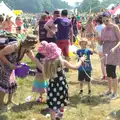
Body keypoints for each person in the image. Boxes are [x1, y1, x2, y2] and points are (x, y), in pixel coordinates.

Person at [38, 41, 86, 120]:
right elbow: (75, 67)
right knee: (62, 99)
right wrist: (81, 60)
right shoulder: (61, 62)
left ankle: (53, 118)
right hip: (61, 85)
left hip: (52, 86)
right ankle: (60, 114)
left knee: (52, 103)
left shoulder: (46, 63)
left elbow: (45, 74)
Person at [0, 35, 42, 111]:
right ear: (27, 44)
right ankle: (1, 104)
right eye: (32, 46)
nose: (33, 48)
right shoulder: (14, 47)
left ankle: (9, 101)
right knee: (4, 85)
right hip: (3, 64)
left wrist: (44, 69)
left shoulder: (27, 50)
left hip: (11, 66)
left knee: (12, 83)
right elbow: (0, 54)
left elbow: (35, 60)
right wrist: (10, 64)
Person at [99, 12, 120, 99]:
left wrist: (115, 48)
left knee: (113, 72)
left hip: (114, 51)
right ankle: (109, 90)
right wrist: (97, 39)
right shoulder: (103, 29)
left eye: (107, 20)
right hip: (106, 51)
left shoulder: (115, 27)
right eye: (104, 21)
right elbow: (101, 42)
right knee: (108, 72)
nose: (105, 22)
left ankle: (115, 93)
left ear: (110, 18)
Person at [95, 15, 107, 80]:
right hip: (106, 45)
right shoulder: (105, 26)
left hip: (99, 45)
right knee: (106, 61)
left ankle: (104, 75)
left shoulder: (96, 27)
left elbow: (96, 37)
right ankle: (107, 75)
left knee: (102, 62)